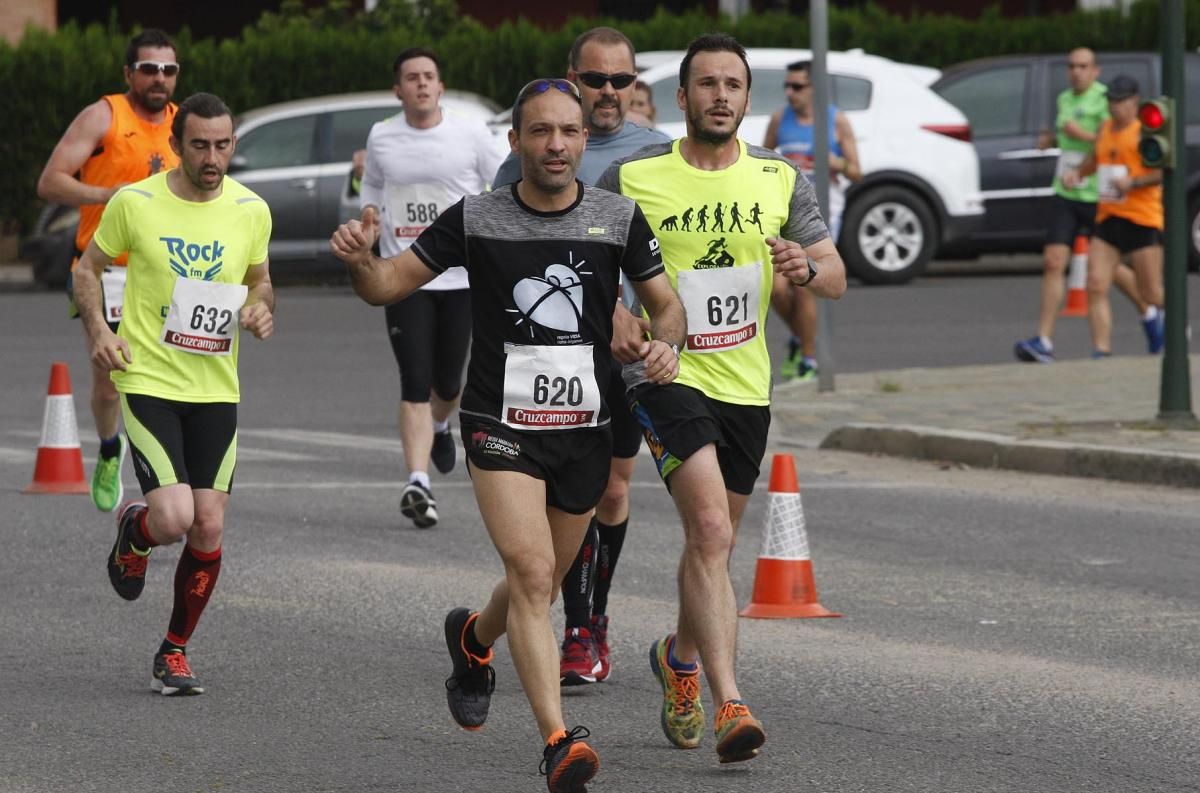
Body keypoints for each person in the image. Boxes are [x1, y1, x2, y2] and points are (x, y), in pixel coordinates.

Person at [331, 77, 685, 792]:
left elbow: (665, 304)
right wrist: (363, 261)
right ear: (518, 140)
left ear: (585, 141)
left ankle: (473, 638)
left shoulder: (617, 217)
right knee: (529, 574)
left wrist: (660, 343)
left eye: (569, 132)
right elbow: (390, 283)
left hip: (585, 426)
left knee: (542, 583)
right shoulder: (477, 217)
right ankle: (559, 740)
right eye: (540, 132)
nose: (556, 145)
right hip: (500, 424)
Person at [597, 33, 846, 763]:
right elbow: (584, 260)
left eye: (733, 85)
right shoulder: (634, 176)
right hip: (664, 373)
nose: (720, 96)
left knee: (716, 541)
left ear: (746, 96)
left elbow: (834, 274)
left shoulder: (778, 179)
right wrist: (615, 315)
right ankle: (728, 698)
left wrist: (806, 266)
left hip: (746, 383)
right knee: (709, 527)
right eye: (706, 84)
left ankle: (678, 655)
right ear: (682, 98)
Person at [73, 92, 274, 696]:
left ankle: (174, 652)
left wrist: (262, 311)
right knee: (176, 516)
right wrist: (100, 332)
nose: (212, 157)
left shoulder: (251, 209)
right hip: (150, 379)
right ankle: (138, 529)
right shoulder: (135, 204)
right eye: (199, 145)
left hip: (215, 387)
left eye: (222, 145)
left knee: (207, 527)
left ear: (233, 144)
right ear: (176, 145)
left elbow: (261, 282)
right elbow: (87, 269)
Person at [494, 26, 671, 687]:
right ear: (571, 76)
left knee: (614, 489)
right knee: (565, 499)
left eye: (620, 80)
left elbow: (671, 258)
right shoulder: (535, 148)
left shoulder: (656, 152)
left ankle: (590, 618)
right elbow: (500, 240)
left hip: (627, 352)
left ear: (635, 85)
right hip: (548, 356)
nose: (606, 91)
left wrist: (653, 328)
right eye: (593, 79)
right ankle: (571, 623)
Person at [360, 47, 507, 529]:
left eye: (429, 76)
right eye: (412, 77)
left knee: (448, 381)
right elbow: (374, 192)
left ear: (440, 86)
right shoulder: (382, 137)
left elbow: (502, 181)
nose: (421, 83)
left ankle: (443, 424)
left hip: (461, 276)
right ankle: (418, 481)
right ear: (398, 90)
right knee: (414, 378)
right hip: (403, 273)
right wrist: (368, 225)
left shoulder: (469, 132)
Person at [37, 29, 181, 513]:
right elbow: (50, 182)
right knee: (111, 379)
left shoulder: (185, 126)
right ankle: (108, 449)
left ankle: (165, 472)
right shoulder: (105, 116)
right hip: (105, 271)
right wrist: (109, 196)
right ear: (129, 73)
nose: (159, 78)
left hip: (168, 272)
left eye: (168, 70)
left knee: (168, 376)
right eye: (148, 69)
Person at [1014, 49, 1152, 363]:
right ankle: (1044, 341)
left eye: (1083, 67)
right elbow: (1069, 141)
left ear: (1095, 71)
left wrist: (1083, 135)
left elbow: (1111, 142)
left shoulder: (1108, 99)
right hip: (1067, 190)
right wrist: (1052, 141)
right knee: (1053, 261)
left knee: (1108, 270)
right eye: (1072, 66)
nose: (1076, 72)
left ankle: (1149, 310)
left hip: (1099, 195)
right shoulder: (1064, 99)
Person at [763, 60, 860, 381]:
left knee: (805, 285)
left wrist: (833, 161)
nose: (790, 93)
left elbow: (857, 172)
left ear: (814, 88)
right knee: (775, 288)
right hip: (782, 212)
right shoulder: (780, 119)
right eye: (787, 86)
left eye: (798, 86)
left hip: (822, 213)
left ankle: (808, 359)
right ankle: (801, 337)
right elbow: (761, 159)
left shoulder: (836, 121)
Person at [1062, 74, 1164, 358]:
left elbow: (1159, 174)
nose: (1114, 107)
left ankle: (1169, 325)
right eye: (1111, 101)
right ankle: (1101, 350)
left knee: (1151, 292)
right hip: (1109, 216)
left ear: (1134, 102)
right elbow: (1096, 159)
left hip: (1142, 216)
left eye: (1120, 102)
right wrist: (1077, 174)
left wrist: (1132, 182)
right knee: (1095, 284)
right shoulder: (1106, 128)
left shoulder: (1144, 132)